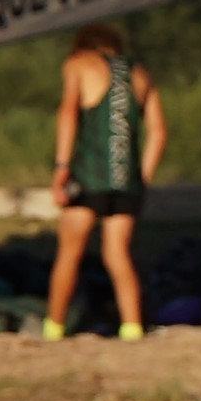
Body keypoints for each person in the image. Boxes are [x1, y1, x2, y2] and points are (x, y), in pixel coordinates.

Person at [44, 23, 169, 340]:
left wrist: (61, 166)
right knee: (118, 254)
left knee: (70, 252)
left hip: (89, 175)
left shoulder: (79, 64)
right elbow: (159, 132)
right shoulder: (140, 73)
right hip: (125, 180)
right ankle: (131, 327)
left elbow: (69, 112)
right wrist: (143, 176)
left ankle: (54, 326)